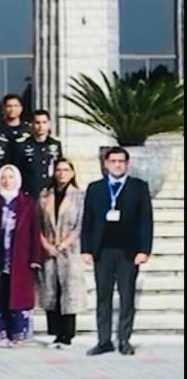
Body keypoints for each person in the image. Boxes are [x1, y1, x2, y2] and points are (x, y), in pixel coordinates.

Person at [82, 147, 154, 356]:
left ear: (127, 164)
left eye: (121, 161)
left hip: (128, 252)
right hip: (102, 251)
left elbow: (146, 221)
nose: (117, 165)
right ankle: (104, 340)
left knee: (126, 296)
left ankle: (124, 339)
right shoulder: (95, 188)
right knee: (103, 296)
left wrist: (144, 250)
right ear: (106, 164)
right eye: (113, 161)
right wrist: (85, 249)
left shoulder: (139, 187)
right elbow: (87, 220)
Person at [0, 165, 42, 348]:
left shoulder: (27, 202)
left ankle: (18, 334)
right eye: (4, 177)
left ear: (17, 180)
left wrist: (35, 258)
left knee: (17, 295)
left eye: (11, 177)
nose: (7, 181)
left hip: (20, 257)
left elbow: (34, 231)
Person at [37, 158, 84, 348]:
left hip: (69, 250)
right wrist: (46, 244)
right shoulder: (44, 195)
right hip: (49, 249)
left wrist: (64, 244)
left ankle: (67, 335)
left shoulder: (79, 196)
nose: (62, 173)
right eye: (59, 170)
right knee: (52, 290)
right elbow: (37, 224)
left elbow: (80, 224)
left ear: (72, 173)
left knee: (69, 291)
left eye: (66, 170)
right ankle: (56, 333)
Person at [17, 109, 63, 197]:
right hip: (30, 193)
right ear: (32, 124)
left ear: (49, 124)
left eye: (44, 122)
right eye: (37, 123)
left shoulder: (55, 145)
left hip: (51, 193)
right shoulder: (22, 146)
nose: (41, 126)